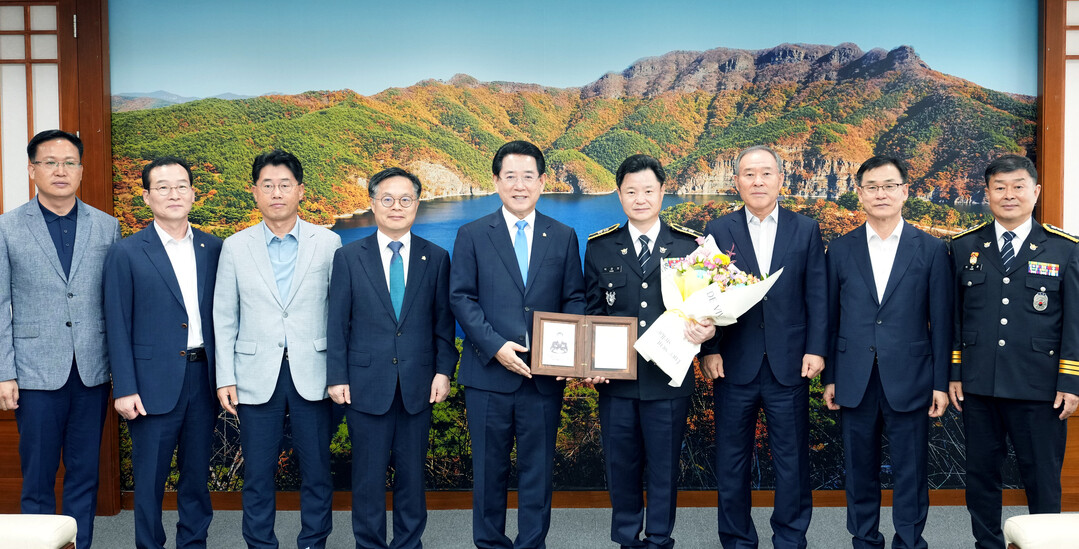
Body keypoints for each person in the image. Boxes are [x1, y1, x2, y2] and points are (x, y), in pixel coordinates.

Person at [449, 140, 586, 548]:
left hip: (543, 378)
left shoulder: (562, 235)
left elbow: (574, 298)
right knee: (488, 472)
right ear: (496, 181)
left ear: (542, 182)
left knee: (537, 473)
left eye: (529, 176)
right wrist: (496, 347)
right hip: (488, 375)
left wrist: (568, 353)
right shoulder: (472, 234)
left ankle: (532, 544)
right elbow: (461, 298)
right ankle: (490, 544)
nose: (520, 185)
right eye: (510, 176)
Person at [584, 154, 714, 549]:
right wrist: (590, 360)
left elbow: (707, 308)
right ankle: (627, 539)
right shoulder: (600, 247)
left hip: (668, 378)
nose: (640, 199)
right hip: (616, 380)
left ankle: (659, 539)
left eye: (648, 190)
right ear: (619, 194)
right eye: (631, 191)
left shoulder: (690, 245)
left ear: (662, 191)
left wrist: (707, 331)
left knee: (664, 467)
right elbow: (591, 311)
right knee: (620, 466)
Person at [948, 154, 1079, 549]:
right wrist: (955, 372)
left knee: (1042, 478)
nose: (1009, 195)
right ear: (987, 193)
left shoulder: (1064, 249)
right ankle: (986, 544)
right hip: (979, 384)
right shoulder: (963, 246)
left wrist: (1070, 380)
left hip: (1039, 386)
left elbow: (1074, 322)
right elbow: (955, 318)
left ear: (1035, 192)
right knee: (980, 476)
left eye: (1018, 186)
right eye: (1000, 187)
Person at [700, 145, 827, 549]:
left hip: (789, 363)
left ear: (780, 180)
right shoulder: (719, 229)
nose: (758, 181)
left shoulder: (805, 228)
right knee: (731, 460)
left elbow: (817, 294)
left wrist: (816, 348)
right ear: (736, 181)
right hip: (733, 361)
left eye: (766, 173)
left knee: (792, 461)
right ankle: (737, 539)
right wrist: (709, 349)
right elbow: (706, 295)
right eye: (749, 174)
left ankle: (790, 539)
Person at [822, 156, 952, 548]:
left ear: (905, 191)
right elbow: (830, 319)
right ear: (860, 193)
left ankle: (910, 542)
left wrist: (940, 384)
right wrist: (830, 377)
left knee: (911, 471)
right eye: (872, 187)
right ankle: (864, 540)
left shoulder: (931, 249)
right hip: (854, 377)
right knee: (859, 470)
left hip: (911, 378)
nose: (881, 194)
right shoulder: (839, 249)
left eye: (889, 186)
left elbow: (942, 323)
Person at [214, 150, 341, 549]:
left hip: (315, 371)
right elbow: (225, 317)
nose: (276, 193)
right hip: (254, 374)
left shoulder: (329, 242)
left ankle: (313, 542)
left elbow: (340, 313)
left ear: (300, 191)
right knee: (257, 473)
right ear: (254, 192)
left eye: (285, 184)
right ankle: (260, 544)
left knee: (317, 471)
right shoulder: (235, 246)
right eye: (267, 185)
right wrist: (224, 377)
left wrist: (341, 373)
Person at [0, 129, 121, 548]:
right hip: (35, 372)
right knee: (37, 476)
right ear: (32, 169)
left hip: (92, 370)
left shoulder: (106, 226)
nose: (60, 170)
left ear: (82, 170)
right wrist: (4, 372)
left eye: (69, 162)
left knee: (85, 475)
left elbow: (113, 303)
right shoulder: (7, 227)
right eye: (49, 162)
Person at [326, 167, 458, 548]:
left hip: (419, 386)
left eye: (405, 199)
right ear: (372, 203)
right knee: (367, 480)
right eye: (387, 199)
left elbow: (443, 323)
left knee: (412, 479)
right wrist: (337, 377)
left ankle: (408, 543)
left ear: (416, 204)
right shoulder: (349, 257)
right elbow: (337, 323)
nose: (396, 207)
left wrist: (444, 371)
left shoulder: (436, 257)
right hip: (365, 387)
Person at [103, 156, 222, 549]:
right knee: (150, 479)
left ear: (193, 193)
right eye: (163, 187)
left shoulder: (213, 247)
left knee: (196, 477)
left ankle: (194, 543)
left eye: (181, 186)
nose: (174, 194)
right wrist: (124, 387)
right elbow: (117, 324)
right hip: (150, 383)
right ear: (146, 197)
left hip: (203, 378)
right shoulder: (126, 252)